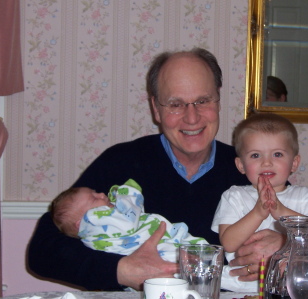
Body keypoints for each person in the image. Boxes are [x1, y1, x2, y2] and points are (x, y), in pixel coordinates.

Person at [28, 48, 284, 291]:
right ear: (156, 109)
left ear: (217, 101)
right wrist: (122, 270)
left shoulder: (250, 167)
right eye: (175, 104)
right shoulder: (120, 162)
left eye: (202, 101)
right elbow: (43, 251)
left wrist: (284, 245)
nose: (192, 118)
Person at [211, 113, 308, 292]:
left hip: (291, 286)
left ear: (294, 163)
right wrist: (258, 213)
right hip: (240, 286)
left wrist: (281, 211)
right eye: (255, 155)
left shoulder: (305, 197)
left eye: (277, 154)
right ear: (240, 165)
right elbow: (228, 243)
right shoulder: (234, 196)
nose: (266, 162)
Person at [50, 179, 206, 263]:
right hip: (160, 256)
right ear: (82, 223)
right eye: (94, 198)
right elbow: (129, 221)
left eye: (96, 193)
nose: (102, 194)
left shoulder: (99, 230)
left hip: (166, 247)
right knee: (195, 260)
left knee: (203, 256)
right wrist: (127, 194)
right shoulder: (94, 221)